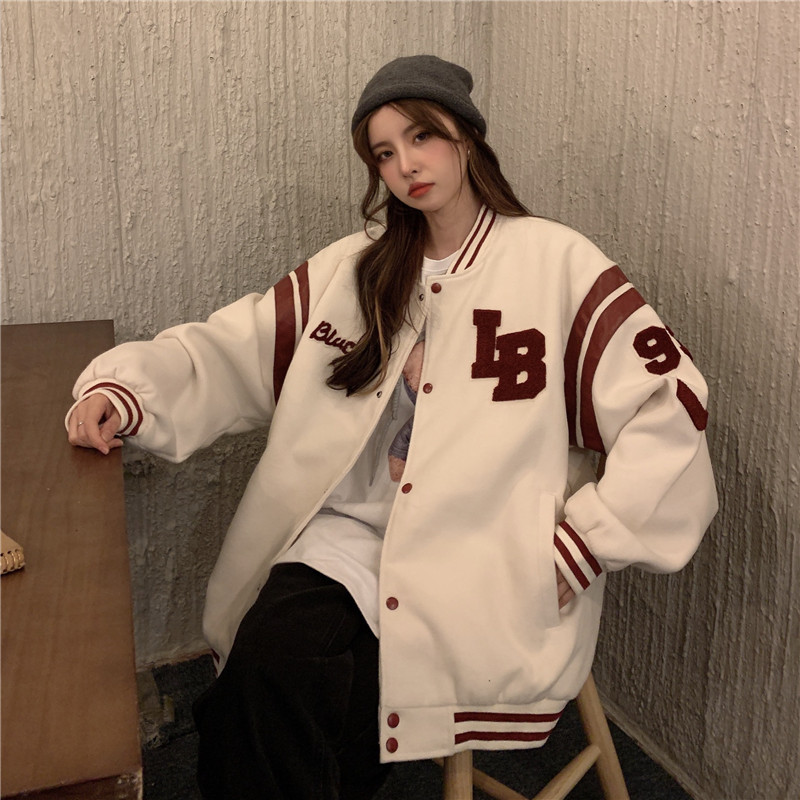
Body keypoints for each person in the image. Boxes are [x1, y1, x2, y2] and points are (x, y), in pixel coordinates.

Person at [66, 55, 717, 799]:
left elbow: (672, 404)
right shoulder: (359, 268)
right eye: (383, 152)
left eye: (421, 137)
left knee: (319, 704)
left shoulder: (556, 264)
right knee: (266, 670)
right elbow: (233, 346)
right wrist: (126, 389)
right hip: (346, 536)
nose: (405, 165)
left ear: (465, 136)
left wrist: (586, 543)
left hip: (480, 547)